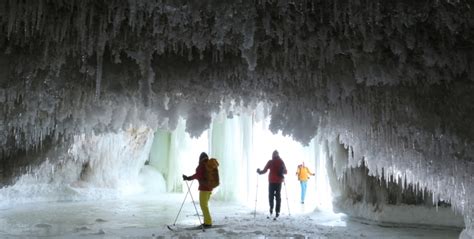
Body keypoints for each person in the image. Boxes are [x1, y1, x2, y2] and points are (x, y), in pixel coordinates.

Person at [182, 152, 217, 228]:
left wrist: (188, 178)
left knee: (203, 206)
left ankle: (208, 222)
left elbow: (197, 175)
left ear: (200, 158)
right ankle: (207, 221)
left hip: (204, 189)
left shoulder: (202, 166)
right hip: (210, 189)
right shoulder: (209, 165)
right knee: (205, 205)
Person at [257, 150, 287, 218]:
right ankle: (276, 211)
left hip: (274, 181)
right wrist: (282, 171)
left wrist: (259, 172)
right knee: (277, 197)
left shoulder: (274, 162)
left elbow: (264, 170)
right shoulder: (278, 162)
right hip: (277, 181)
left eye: (274, 154)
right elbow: (285, 171)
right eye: (274, 154)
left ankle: (273, 209)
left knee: (272, 196)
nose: (274, 155)